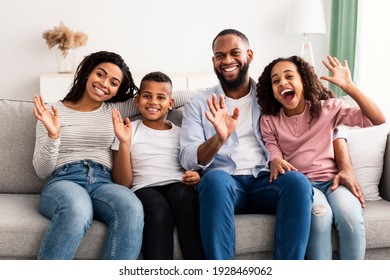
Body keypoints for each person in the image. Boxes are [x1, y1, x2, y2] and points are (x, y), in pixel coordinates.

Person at [256, 55, 386, 259]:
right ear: (271, 90)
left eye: (289, 76)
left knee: (349, 216)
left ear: (303, 81)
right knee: (319, 216)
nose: (283, 83)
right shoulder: (269, 121)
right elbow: (273, 151)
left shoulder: (327, 108)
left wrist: (350, 87)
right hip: (304, 187)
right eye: (276, 81)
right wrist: (276, 161)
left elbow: (377, 119)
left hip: (334, 182)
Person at [32, 51, 144, 260]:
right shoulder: (52, 111)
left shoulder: (115, 110)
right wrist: (53, 135)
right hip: (64, 180)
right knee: (78, 208)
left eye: (113, 82)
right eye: (100, 74)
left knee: (131, 206)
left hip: (104, 182)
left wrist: (218, 89)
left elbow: (162, 94)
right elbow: (41, 171)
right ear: (87, 73)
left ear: (117, 90)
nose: (104, 84)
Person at [112, 71, 204, 260]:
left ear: (170, 103)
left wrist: (197, 176)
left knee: (186, 198)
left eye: (161, 97)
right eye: (147, 96)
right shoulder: (128, 130)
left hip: (177, 184)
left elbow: (196, 166)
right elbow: (123, 183)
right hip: (144, 188)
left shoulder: (182, 133)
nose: (153, 102)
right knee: (158, 208)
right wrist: (124, 143)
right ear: (137, 101)